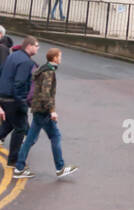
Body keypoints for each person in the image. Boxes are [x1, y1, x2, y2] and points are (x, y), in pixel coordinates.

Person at [12, 48, 77, 180]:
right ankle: (60, 167)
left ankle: (19, 167)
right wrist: (52, 111)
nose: (61, 58)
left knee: (30, 139)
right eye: (59, 56)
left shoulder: (43, 69)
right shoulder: (49, 73)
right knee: (55, 136)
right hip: (43, 111)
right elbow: (45, 94)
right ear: (54, 58)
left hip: (38, 109)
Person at [0, 34, 39, 170]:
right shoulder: (25, 62)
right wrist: (22, 103)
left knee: (8, 125)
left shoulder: (12, 56)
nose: (38, 48)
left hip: (4, 97)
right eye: (36, 45)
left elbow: (2, 72)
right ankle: (13, 160)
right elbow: (19, 83)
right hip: (14, 100)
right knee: (21, 128)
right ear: (29, 46)